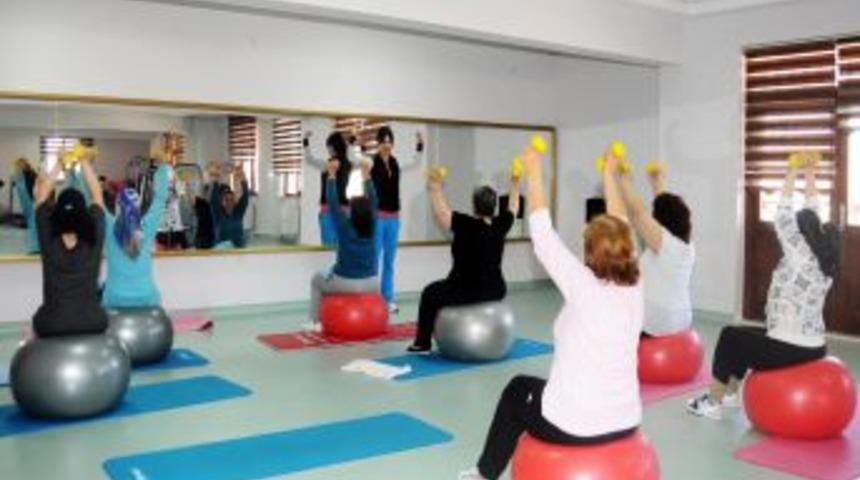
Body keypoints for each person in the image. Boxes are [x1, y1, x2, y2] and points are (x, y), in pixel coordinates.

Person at [458, 146, 643, 480]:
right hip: (626, 419)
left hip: (573, 424)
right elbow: (622, 226)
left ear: (589, 254)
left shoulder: (582, 284)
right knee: (534, 386)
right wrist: (609, 173)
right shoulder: (636, 285)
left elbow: (543, 234)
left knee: (517, 390)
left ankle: (484, 474)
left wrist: (532, 171)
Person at [687, 152, 840, 420]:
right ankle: (731, 393)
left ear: (801, 237)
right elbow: (813, 213)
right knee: (741, 334)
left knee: (728, 336)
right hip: (813, 345)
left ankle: (712, 401)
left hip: (792, 348)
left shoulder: (799, 254)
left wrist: (792, 172)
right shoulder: (824, 258)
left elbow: (782, 217)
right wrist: (810, 171)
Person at [407, 164, 519, 353]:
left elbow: (442, 211)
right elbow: (514, 207)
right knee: (438, 290)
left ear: (474, 205)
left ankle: (422, 343)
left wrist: (435, 186)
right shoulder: (501, 224)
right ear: (494, 206)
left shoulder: (465, 224)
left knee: (429, 293)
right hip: (496, 289)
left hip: (466, 290)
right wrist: (515, 182)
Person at [31, 153, 108, 337]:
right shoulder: (93, 237)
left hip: (53, 323)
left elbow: (41, 196)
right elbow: (97, 194)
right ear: (85, 215)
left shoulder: (48, 237)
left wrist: (59, 163)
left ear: (56, 213)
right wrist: (83, 161)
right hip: (92, 321)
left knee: (37, 319)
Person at [617, 162, 695, 336]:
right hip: (683, 318)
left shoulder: (663, 242)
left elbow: (638, 212)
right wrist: (657, 181)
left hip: (660, 320)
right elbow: (665, 209)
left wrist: (623, 180)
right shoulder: (685, 244)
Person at [308, 157, 379, 326]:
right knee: (331, 273)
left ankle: (314, 322)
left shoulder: (344, 226)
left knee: (317, 280)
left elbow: (332, 203)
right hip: (372, 282)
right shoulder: (372, 224)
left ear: (352, 212)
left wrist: (331, 175)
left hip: (347, 282)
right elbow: (375, 200)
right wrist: (366, 176)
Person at [366, 126, 424, 314]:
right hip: (377, 218)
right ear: (378, 143)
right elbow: (353, 158)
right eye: (383, 141)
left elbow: (415, 163)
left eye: (390, 142)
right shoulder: (371, 162)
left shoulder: (396, 163)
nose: (387, 145)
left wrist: (419, 145)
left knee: (389, 261)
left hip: (394, 218)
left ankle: (388, 298)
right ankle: (372, 297)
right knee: (374, 259)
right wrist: (352, 141)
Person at [101, 157, 170, 308]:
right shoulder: (147, 226)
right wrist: (162, 167)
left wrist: (79, 170)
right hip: (147, 297)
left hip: (115, 298)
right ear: (137, 208)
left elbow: (92, 199)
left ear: (118, 206)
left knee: (102, 289)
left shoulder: (109, 224)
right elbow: (160, 198)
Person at [304, 130, 354, 247]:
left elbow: (309, 159)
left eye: (329, 147)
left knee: (328, 249)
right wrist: (351, 142)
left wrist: (305, 142)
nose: (328, 150)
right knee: (343, 247)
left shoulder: (328, 164)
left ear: (333, 147)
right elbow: (351, 154)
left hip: (329, 211)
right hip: (345, 210)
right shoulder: (348, 163)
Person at [211, 165, 250, 248]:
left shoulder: (238, 212)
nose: (229, 202)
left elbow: (246, 196)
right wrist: (216, 179)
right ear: (222, 201)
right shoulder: (218, 213)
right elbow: (214, 198)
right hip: (223, 252)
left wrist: (243, 178)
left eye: (231, 199)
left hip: (238, 250)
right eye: (226, 199)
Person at [11, 157, 39, 253]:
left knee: (33, 225)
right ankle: (34, 245)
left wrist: (36, 202)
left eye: (16, 166)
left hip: (32, 202)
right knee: (31, 224)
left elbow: (35, 190)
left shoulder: (31, 175)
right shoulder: (20, 175)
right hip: (27, 204)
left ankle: (35, 247)